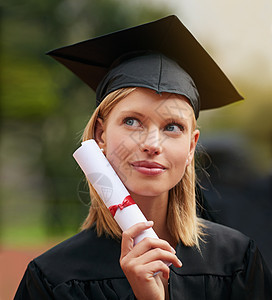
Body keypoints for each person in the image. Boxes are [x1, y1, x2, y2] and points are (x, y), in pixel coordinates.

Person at [15, 15, 272, 300]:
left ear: (191, 147)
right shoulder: (54, 279)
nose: (152, 144)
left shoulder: (236, 262)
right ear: (101, 135)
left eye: (172, 127)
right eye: (132, 121)